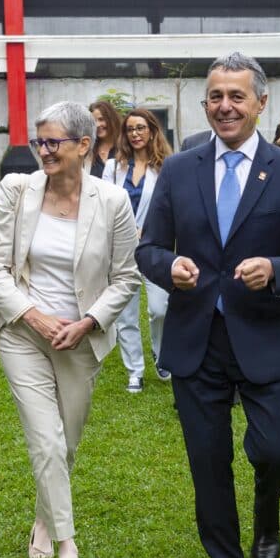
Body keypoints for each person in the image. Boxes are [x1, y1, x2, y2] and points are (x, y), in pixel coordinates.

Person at [136, 52, 280, 558]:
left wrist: (276, 270)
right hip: (196, 341)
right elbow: (148, 248)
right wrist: (166, 269)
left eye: (237, 96)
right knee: (208, 461)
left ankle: (267, 517)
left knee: (274, 451)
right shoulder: (178, 170)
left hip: (263, 335)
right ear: (205, 103)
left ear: (261, 103)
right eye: (216, 96)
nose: (225, 106)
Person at [0, 101, 139, 558]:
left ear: (84, 146)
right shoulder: (15, 190)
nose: (42, 151)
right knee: (44, 437)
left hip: (79, 342)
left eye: (53, 142)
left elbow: (126, 277)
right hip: (22, 333)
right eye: (38, 142)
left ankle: (44, 516)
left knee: (65, 441)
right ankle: (68, 545)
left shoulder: (112, 201)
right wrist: (36, 317)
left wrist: (87, 322)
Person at [102, 109, 173, 392]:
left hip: (154, 247)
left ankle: (162, 353)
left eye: (141, 128)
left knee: (161, 308)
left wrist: (152, 229)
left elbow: (172, 207)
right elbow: (105, 206)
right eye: (130, 129)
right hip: (120, 249)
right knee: (125, 314)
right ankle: (135, 370)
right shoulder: (113, 167)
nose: (135, 134)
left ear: (152, 130)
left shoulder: (167, 166)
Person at [88, 101, 122, 178]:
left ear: (111, 119)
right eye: (93, 121)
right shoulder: (88, 149)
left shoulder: (125, 146)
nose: (97, 125)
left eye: (101, 119)